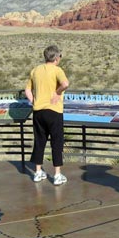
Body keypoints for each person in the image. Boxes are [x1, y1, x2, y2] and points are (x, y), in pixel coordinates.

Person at [25, 44, 69, 185]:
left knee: (39, 141)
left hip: (38, 112)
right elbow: (65, 83)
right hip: (54, 111)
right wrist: (57, 93)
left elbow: (27, 90)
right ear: (56, 57)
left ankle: (38, 172)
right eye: (60, 56)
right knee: (56, 142)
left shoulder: (35, 70)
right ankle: (57, 175)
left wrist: (34, 101)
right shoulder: (57, 70)